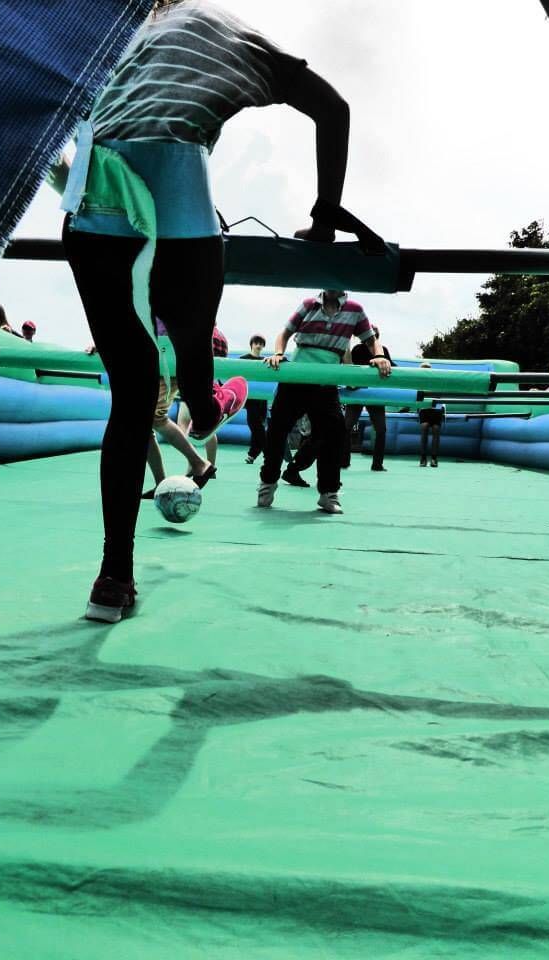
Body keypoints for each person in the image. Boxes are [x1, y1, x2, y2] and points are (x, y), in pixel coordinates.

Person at [56, 0, 379, 621]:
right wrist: (325, 216)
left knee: (131, 400)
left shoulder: (98, 38)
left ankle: (112, 580)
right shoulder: (219, 27)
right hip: (181, 213)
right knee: (193, 347)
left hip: (93, 219)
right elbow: (334, 109)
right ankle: (207, 405)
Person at [258, 290, 391, 513]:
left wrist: (379, 356)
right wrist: (279, 353)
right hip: (296, 378)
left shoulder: (355, 310)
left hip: (326, 382)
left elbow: (371, 341)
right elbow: (285, 333)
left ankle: (329, 494)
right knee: (276, 432)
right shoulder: (308, 304)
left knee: (333, 435)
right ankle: (267, 484)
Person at [341, 324, 394, 472]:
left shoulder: (383, 350)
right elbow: (349, 366)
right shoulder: (358, 349)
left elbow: (391, 367)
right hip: (357, 391)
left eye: (374, 335)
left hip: (374, 394)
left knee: (381, 429)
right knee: (346, 427)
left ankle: (377, 463)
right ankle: (344, 461)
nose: (371, 337)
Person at [176, 326, 229, 471]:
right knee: (208, 427)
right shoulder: (222, 337)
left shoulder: (198, 332)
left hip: (193, 382)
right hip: (212, 384)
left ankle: (194, 462)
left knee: (183, 423)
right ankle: (211, 464)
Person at [240, 335, 268, 464]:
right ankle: (268, 450)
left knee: (258, 428)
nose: (258, 345)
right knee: (255, 426)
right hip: (250, 398)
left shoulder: (265, 361)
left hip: (262, 399)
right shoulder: (243, 359)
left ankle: (252, 455)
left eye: (261, 343)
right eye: (256, 343)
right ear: (251, 344)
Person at [417, 361, 444, 467]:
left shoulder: (436, 381)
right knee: (424, 427)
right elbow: (415, 397)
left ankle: (434, 458)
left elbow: (440, 396)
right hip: (424, 409)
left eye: (427, 368)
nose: (425, 370)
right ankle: (423, 458)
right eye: (423, 368)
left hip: (436, 409)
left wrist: (442, 408)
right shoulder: (417, 382)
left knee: (436, 429)